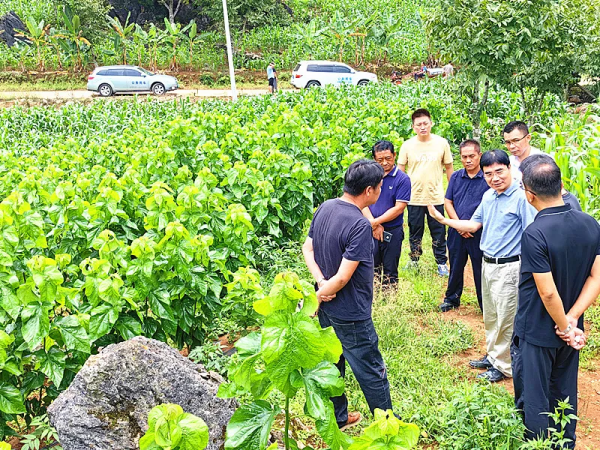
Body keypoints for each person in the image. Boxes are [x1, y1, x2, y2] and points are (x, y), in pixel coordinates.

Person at [512, 154, 600, 447]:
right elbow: (596, 277)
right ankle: (565, 443)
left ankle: (537, 443)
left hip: (539, 330)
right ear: (561, 186)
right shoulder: (590, 223)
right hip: (571, 331)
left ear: (529, 194)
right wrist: (573, 320)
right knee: (565, 392)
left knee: (536, 397)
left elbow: (547, 292)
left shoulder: (535, 233)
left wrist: (563, 325)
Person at [428, 150, 536, 382]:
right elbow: (474, 224)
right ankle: (493, 355)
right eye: (489, 174)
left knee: (506, 317)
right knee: (491, 315)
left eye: (499, 171)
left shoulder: (521, 199)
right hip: (488, 263)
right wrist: (443, 220)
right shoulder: (488, 196)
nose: (495, 178)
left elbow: (531, 234)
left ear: (510, 169)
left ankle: (504, 366)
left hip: (509, 267)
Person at [302, 159, 394, 430]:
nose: (380, 192)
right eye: (379, 187)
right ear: (368, 190)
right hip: (351, 313)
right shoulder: (359, 225)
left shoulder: (325, 207)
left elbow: (307, 249)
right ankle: (388, 428)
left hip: (327, 310)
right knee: (371, 371)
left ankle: (339, 418)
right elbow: (343, 277)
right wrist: (321, 293)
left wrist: (320, 286)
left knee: (333, 364)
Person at [399, 108, 453, 276]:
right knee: (415, 230)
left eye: (425, 123)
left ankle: (441, 263)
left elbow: (449, 167)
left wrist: (453, 191)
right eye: (418, 124)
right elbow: (401, 171)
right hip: (414, 197)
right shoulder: (407, 145)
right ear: (413, 127)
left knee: (439, 231)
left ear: (431, 124)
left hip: (435, 196)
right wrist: (399, 194)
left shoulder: (441, 143)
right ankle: (414, 260)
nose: (422, 127)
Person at [439, 140, 489, 312]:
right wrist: (459, 226)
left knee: (480, 268)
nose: (468, 160)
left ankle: (485, 304)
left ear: (479, 155)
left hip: (479, 232)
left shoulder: (487, 178)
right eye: (464, 157)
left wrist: (473, 226)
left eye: (471, 156)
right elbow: (448, 201)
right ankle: (451, 298)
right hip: (456, 231)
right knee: (456, 265)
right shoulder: (455, 177)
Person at [503, 120, 582, 210]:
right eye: (508, 142)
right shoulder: (507, 163)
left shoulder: (544, 161)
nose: (512, 146)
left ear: (528, 138)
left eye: (516, 140)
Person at [363, 140, 411, 285]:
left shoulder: (402, 179)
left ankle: (389, 296)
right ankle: (372, 296)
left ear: (394, 155)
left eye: (388, 158)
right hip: (370, 230)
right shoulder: (368, 177)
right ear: (374, 159)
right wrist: (373, 225)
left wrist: (376, 222)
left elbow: (399, 208)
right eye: (380, 160)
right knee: (370, 269)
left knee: (390, 271)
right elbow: (361, 202)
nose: (384, 163)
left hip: (392, 231)